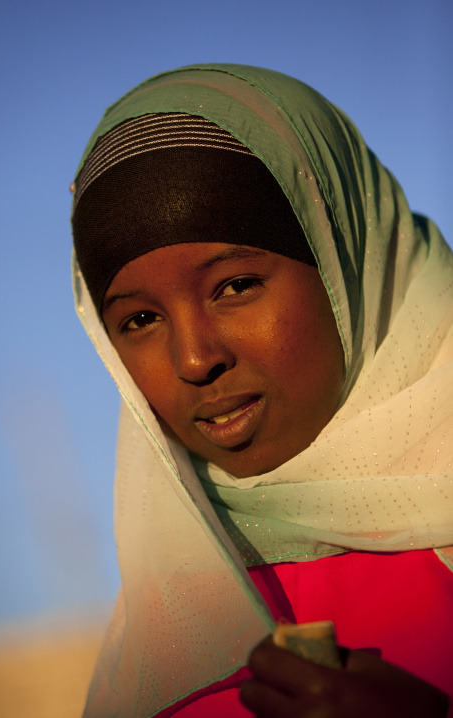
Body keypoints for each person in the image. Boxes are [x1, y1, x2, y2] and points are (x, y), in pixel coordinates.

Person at [71, 64, 453, 717]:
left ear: (350, 262)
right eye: (139, 321)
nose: (194, 358)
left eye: (236, 285)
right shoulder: (171, 636)